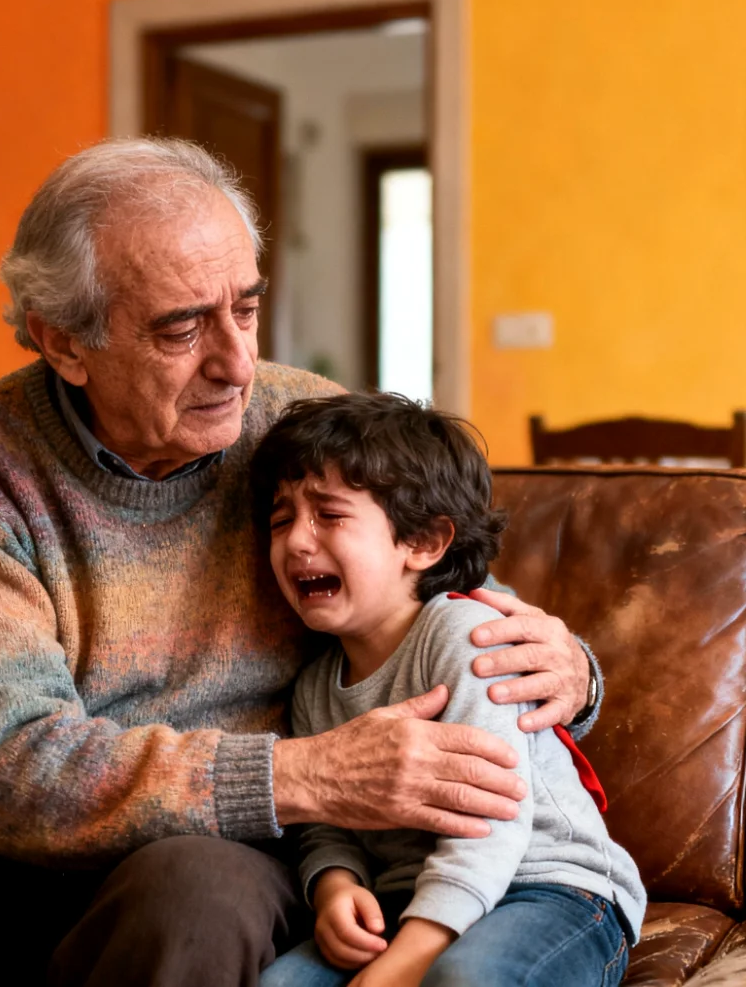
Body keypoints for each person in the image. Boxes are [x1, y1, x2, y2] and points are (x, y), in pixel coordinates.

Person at [0, 138, 604, 987]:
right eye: (180, 329)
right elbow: (6, 770)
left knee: (193, 899)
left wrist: (569, 668)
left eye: (246, 307)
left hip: (214, 848)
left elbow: (432, 588)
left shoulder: (299, 421)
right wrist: (305, 772)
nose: (238, 364)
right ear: (62, 340)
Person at [252, 393, 645, 987]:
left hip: (545, 888)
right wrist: (336, 885)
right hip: (405, 901)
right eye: (282, 521)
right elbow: (325, 818)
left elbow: (493, 822)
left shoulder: (466, 634)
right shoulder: (313, 686)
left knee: (464, 979)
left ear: (425, 543)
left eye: (329, 516)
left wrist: (404, 964)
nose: (297, 542)